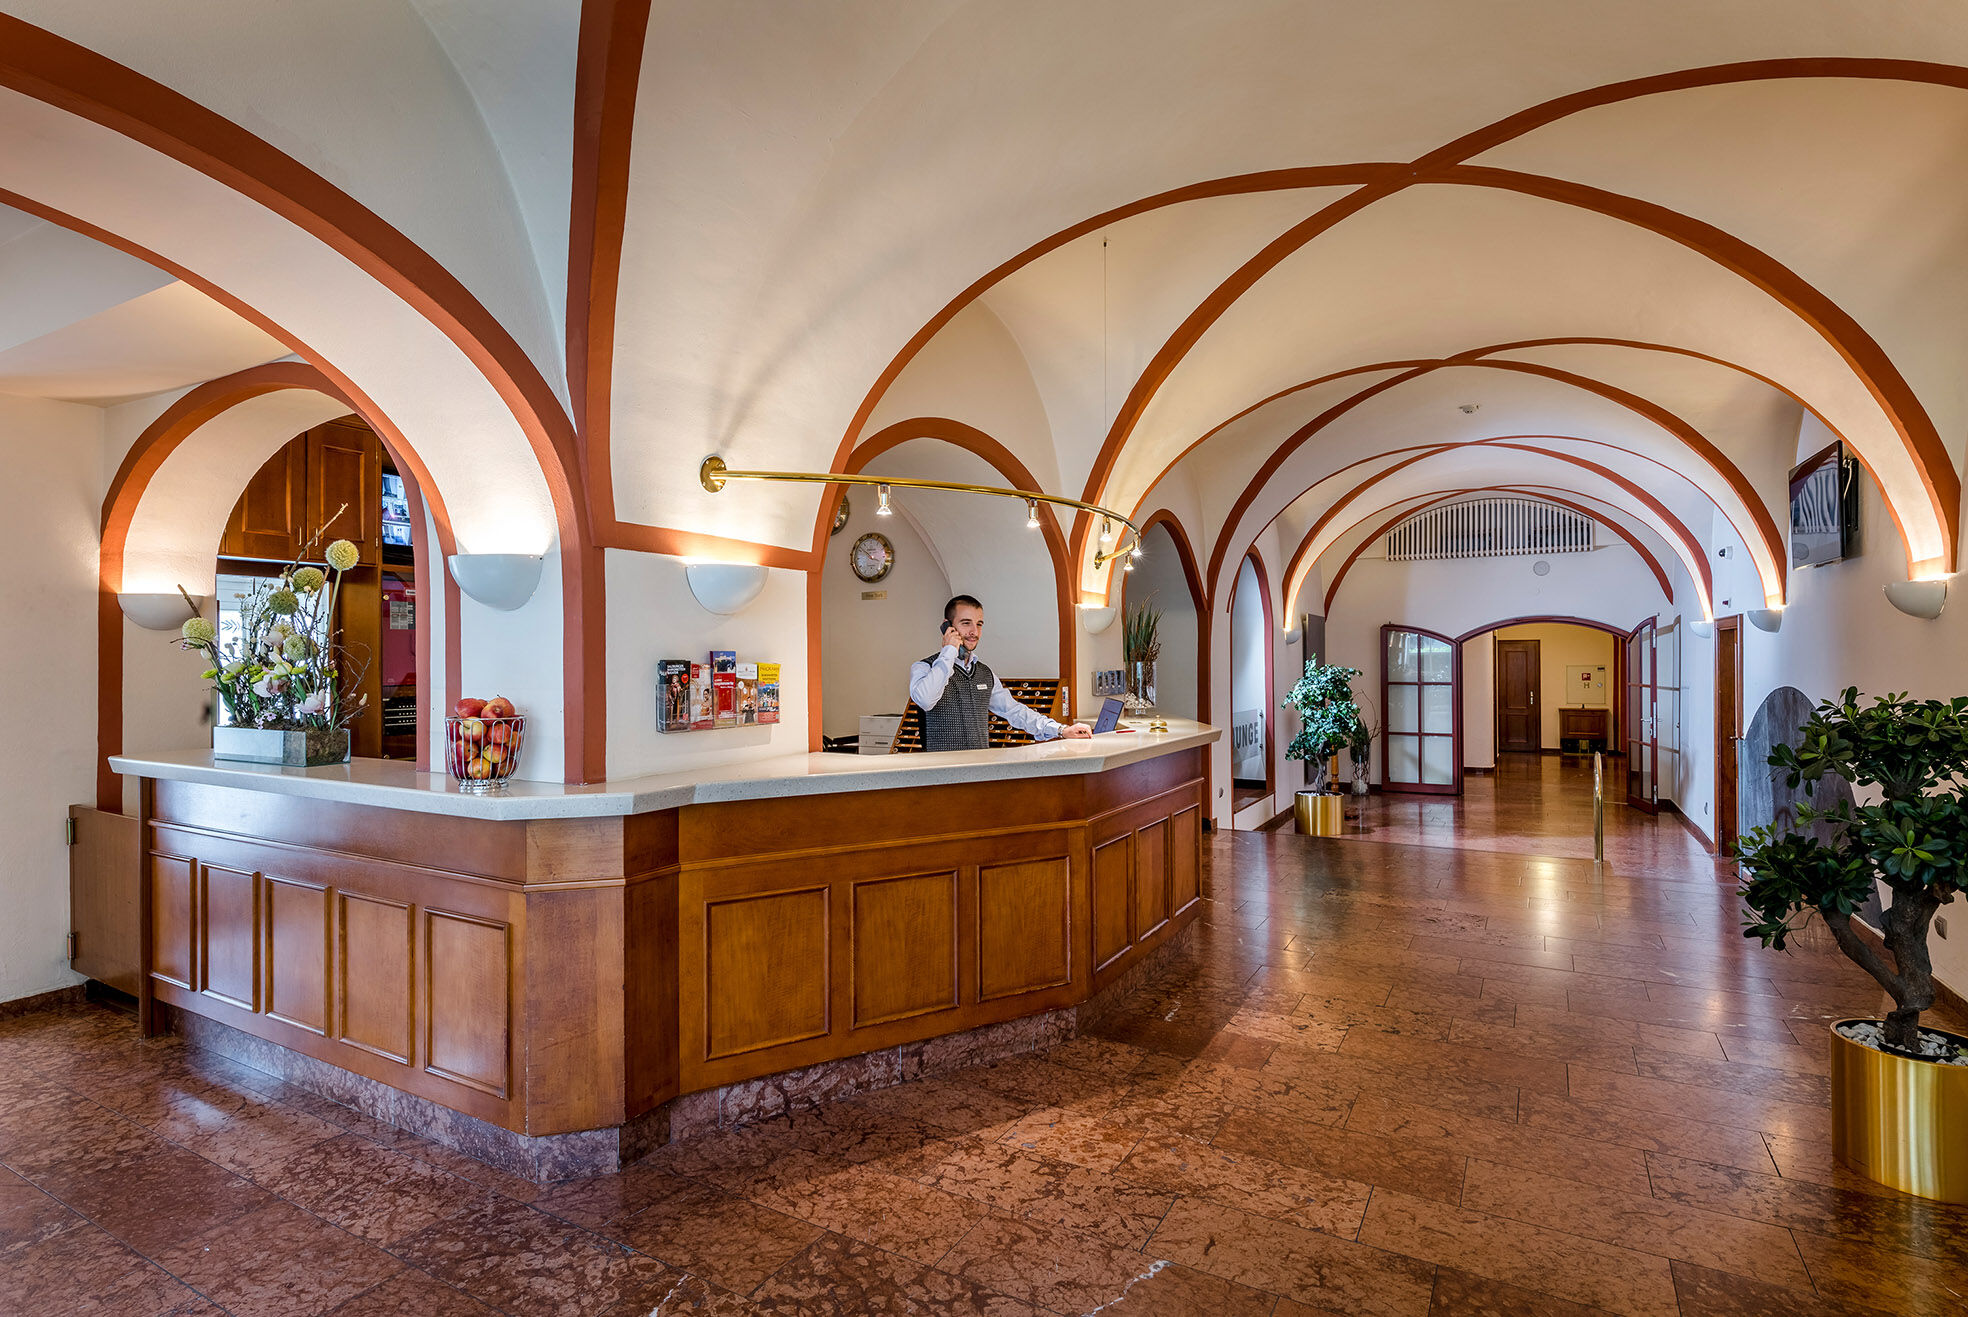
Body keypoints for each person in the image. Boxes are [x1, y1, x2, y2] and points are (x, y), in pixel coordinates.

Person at [909, 594, 1093, 751]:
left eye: (979, 624)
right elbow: (925, 700)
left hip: (980, 773)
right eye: (966, 623)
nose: (974, 631)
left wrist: (1061, 730)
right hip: (940, 776)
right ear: (947, 626)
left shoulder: (984, 673)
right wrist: (948, 651)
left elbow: (1014, 711)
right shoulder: (924, 667)